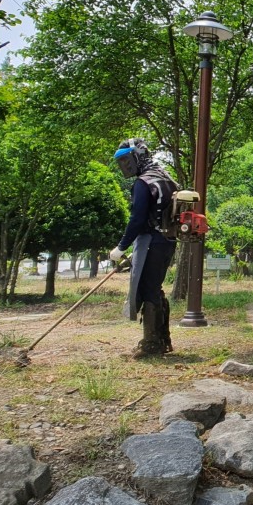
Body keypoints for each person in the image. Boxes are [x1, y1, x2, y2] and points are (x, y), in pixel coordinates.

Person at [110, 138, 179, 357]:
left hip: (152, 242)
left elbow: (137, 219)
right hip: (168, 241)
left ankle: (151, 344)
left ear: (137, 156)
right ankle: (162, 339)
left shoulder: (143, 182)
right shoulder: (166, 177)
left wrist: (121, 247)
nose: (125, 166)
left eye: (126, 159)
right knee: (155, 287)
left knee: (148, 288)